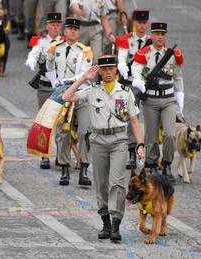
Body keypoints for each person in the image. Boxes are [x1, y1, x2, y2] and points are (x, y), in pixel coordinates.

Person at [62, 56, 145, 241]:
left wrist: (140, 144)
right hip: (98, 140)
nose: (108, 72)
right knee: (101, 183)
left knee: (117, 180)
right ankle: (105, 222)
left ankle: (116, 223)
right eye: (104, 69)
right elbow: (67, 97)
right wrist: (83, 77)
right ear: (99, 71)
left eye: (111, 68)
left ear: (116, 69)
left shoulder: (125, 92)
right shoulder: (91, 90)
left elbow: (134, 120)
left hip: (119, 140)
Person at [131, 21, 184, 184]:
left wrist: (180, 95)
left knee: (169, 134)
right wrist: (138, 81)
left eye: (163, 34)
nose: (160, 37)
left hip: (168, 99)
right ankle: (152, 163)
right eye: (157, 34)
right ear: (151, 35)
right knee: (151, 136)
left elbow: (178, 76)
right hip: (151, 99)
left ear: (165, 36)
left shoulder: (172, 54)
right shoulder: (144, 54)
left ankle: (167, 164)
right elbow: (136, 70)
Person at [46, 17, 93, 186]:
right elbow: (49, 67)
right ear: (64, 31)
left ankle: (84, 169)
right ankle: (65, 168)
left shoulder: (85, 51)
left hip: (80, 94)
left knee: (84, 131)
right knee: (63, 132)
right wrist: (54, 81)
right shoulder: (56, 48)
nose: (73, 31)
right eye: (69, 29)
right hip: (63, 95)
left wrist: (66, 81)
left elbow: (84, 74)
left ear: (78, 32)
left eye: (75, 29)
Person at [25, 12, 63, 169]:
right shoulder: (41, 42)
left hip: (61, 88)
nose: (55, 27)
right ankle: (44, 156)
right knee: (44, 122)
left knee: (62, 123)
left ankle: (61, 155)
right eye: (52, 25)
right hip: (44, 87)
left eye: (57, 25)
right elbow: (34, 52)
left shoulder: (65, 43)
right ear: (47, 26)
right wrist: (32, 59)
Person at [117, 9, 150, 169]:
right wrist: (121, 64)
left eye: (144, 23)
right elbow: (122, 56)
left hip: (148, 84)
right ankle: (132, 151)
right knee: (131, 118)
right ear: (134, 23)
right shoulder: (127, 40)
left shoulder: (153, 40)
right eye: (139, 22)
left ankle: (151, 154)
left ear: (147, 24)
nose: (141, 26)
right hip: (131, 84)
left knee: (152, 120)